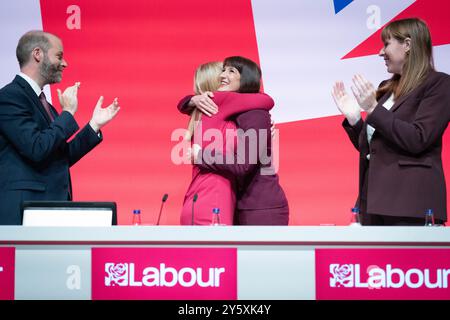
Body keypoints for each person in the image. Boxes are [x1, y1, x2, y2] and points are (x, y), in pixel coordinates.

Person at [331, 18, 450, 226]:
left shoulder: (439, 84)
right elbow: (375, 148)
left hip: (410, 206)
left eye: (386, 44)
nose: (380, 52)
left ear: (407, 45)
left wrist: (373, 109)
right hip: (373, 203)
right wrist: (355, 120)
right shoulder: (386, 87)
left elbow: (418, 139)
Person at [0, 30, 120, 225]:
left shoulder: (44, 104)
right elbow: (36, 149)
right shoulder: (9, 98)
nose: (65, 63)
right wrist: (67, 113)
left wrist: (93, 125)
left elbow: (58, 157)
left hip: (47, 211)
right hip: (23, 214)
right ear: (37, 54)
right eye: (59, 56)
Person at [179, 56, 289, 225]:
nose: (224, 75)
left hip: (258, 206)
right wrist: (192, 100)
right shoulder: (218, 107)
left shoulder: (249, 112)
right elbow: (266, 100)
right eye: (223, 71)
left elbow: (243, 164)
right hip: (232, 202)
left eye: (231, 71)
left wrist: (191, 101)